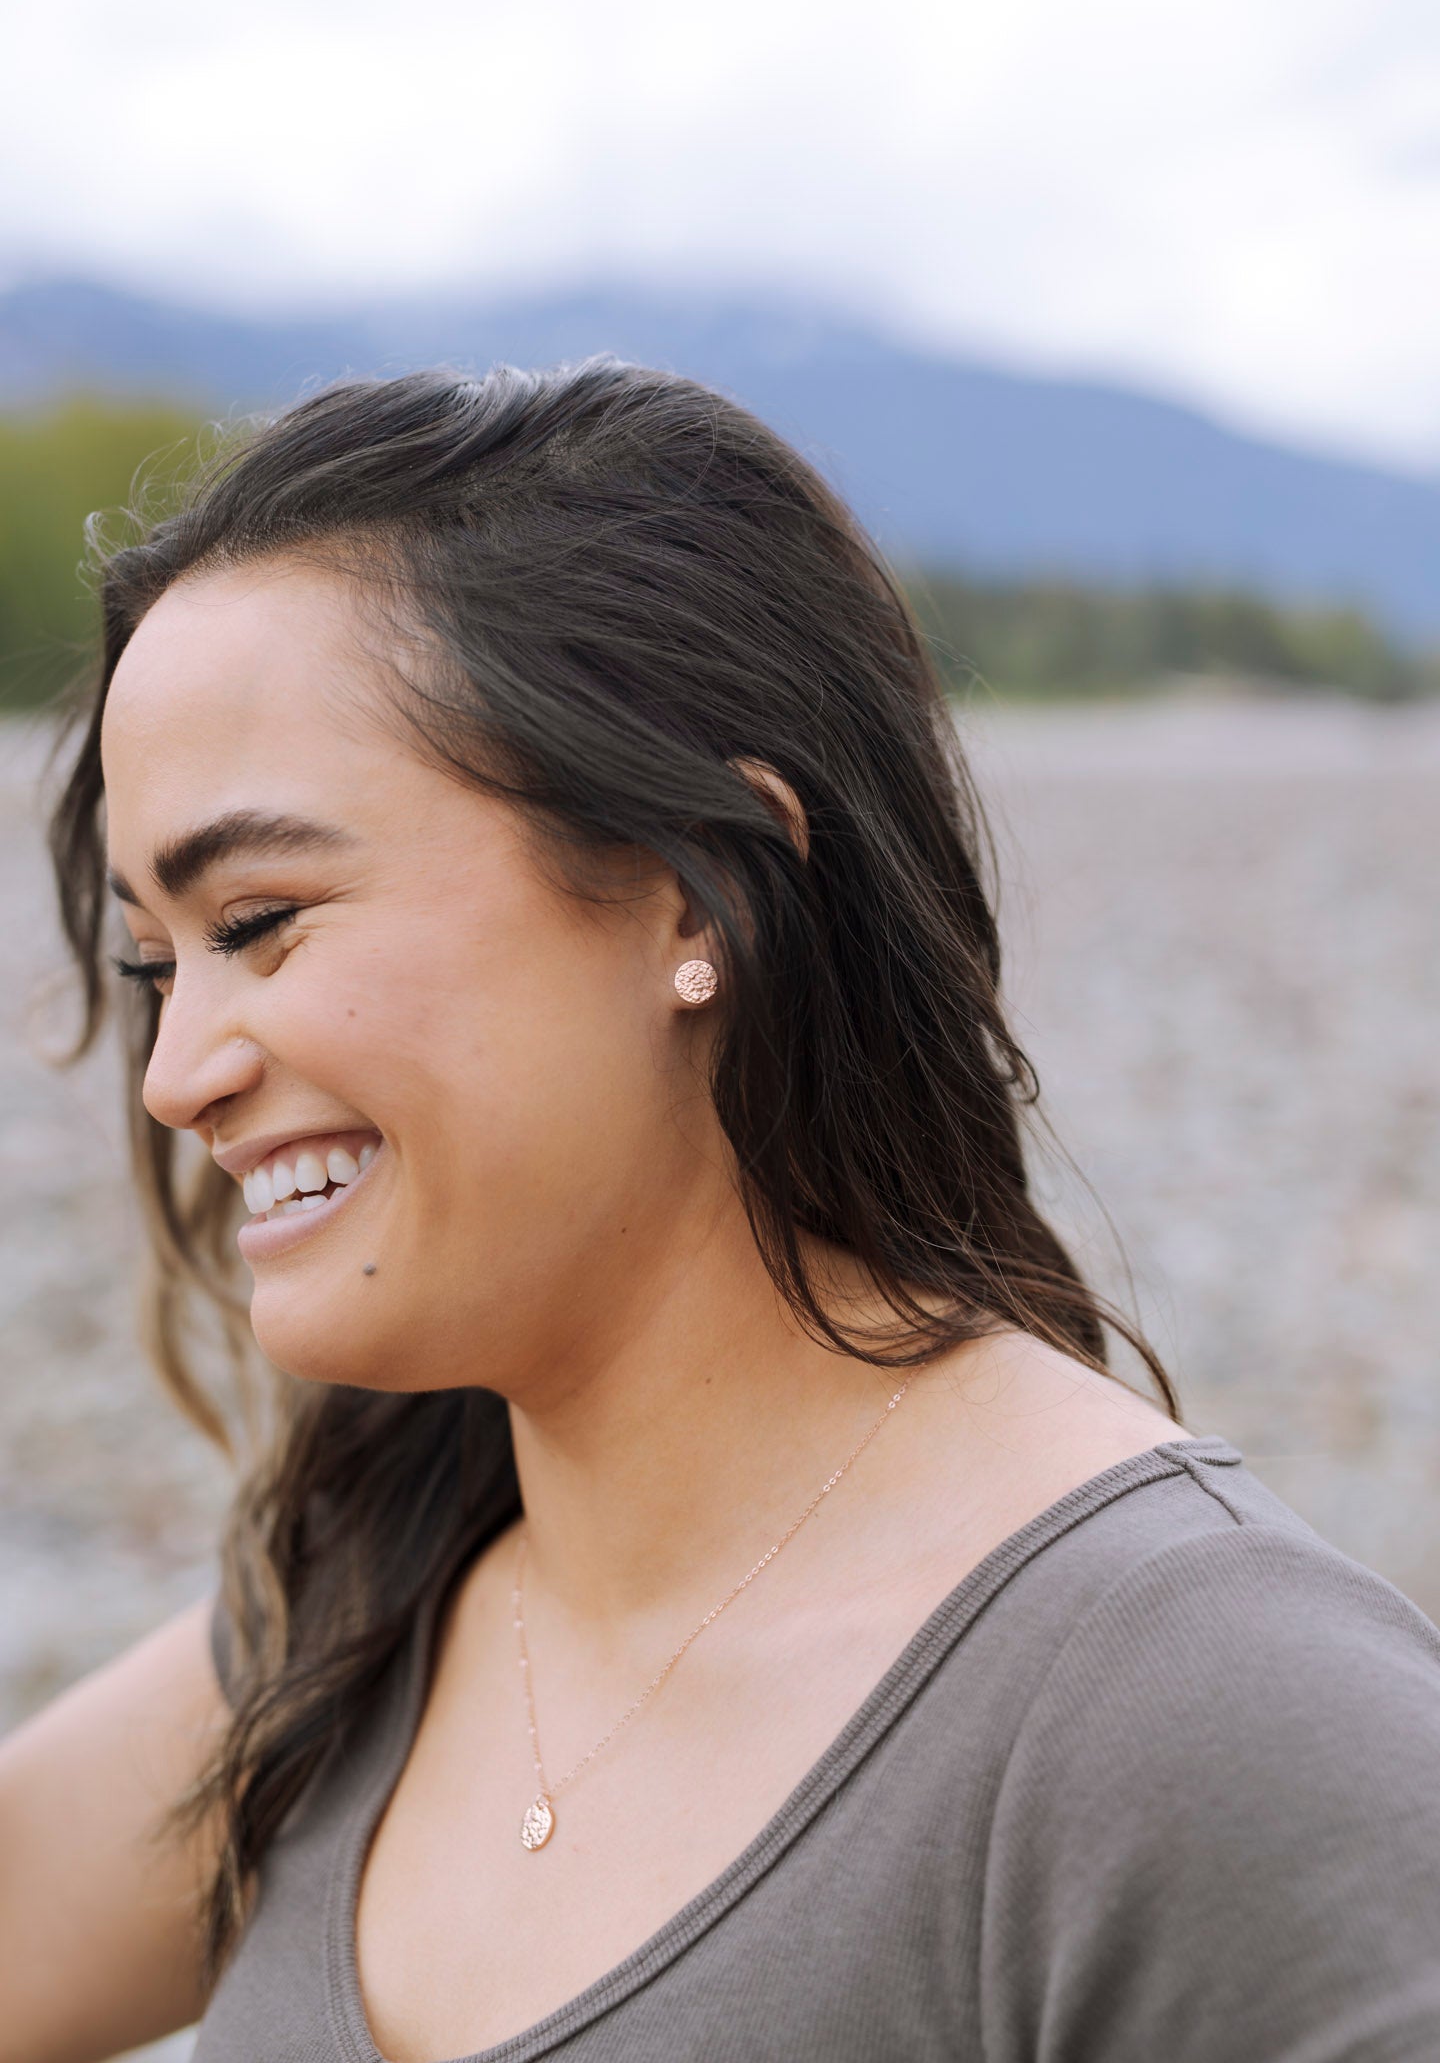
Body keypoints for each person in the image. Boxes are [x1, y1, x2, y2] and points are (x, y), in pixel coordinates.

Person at [4, 360, 1438, 2063]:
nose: (177, 1076)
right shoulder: (358, 1614)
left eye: (263, 920)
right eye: (155, 964)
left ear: (694, 887)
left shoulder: (1190, 1703)